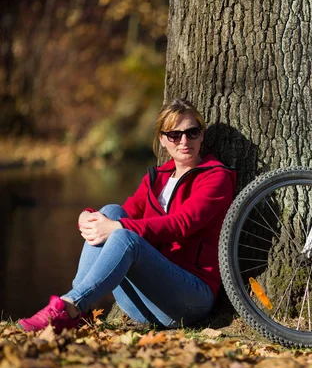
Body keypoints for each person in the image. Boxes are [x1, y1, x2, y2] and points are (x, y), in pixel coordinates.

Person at [18, 99, 236, 332]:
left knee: (125, 236)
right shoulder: (157, 179)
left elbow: (182, 224)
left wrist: (118, 228)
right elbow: (122, 214)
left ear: (202, 135)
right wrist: (87, 215)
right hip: (148, 300)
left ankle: (69, 307)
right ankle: (78, 309)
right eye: (174, 135)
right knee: (110, 211)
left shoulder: (216, 177)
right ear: (162, 140)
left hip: (189, 299)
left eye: (192, 132)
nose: (184, 141)